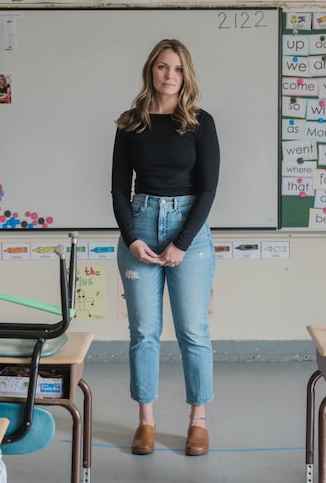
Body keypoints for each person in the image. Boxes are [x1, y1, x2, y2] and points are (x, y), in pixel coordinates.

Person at [111, 39, 220, 457]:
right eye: (161, 67)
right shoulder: (130, 123)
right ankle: (147, 421)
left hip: (188, 229)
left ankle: (197, 420)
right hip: (140, 224)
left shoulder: (199, 122)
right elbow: (120, 189)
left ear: (185, 74)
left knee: (193, 330)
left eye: (176, 68)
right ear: (150, 72)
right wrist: (132, 238)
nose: (169, 76)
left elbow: (208, 189)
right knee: (143, 332)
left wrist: (181, 243)